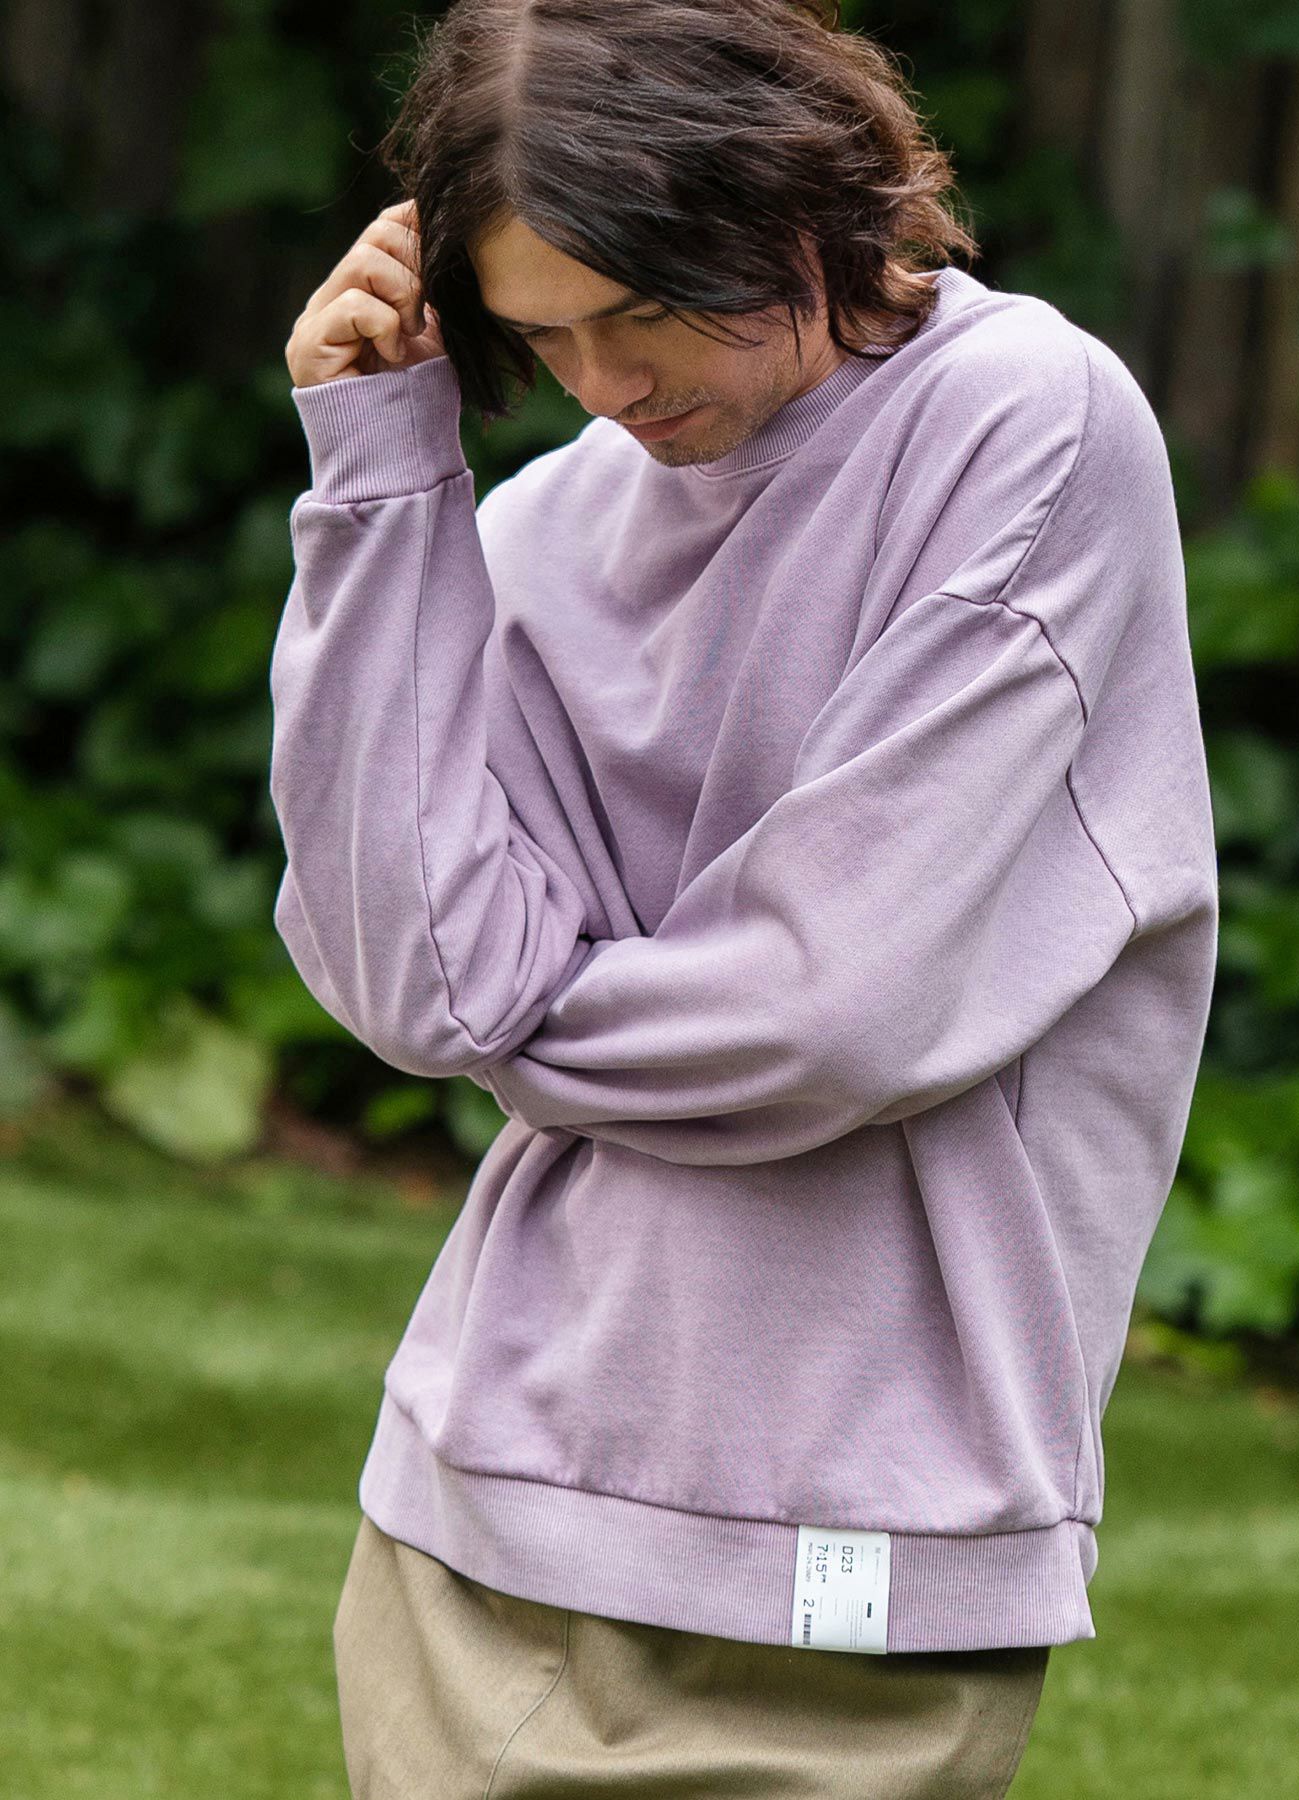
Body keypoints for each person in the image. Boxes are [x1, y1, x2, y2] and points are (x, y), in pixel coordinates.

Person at [272, 0, 1218, 1793]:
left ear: (786, 200)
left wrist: (534, 1023)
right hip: (473, 1496)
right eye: (543, 336)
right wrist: (381, 478)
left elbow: (825, 1010)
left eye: (642, 306)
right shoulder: (534, 532)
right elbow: (416, 986)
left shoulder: (1022, 424)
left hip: (866, 1508)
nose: (607, 382)